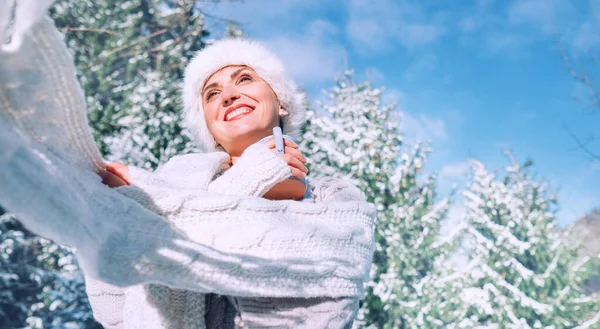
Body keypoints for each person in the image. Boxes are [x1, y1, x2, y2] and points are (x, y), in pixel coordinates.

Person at [87, 39, 372, 329]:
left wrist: (154, 210)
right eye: (212, 94)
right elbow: (112, 310)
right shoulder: (168, 183)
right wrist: (247, 182)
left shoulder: (333, 196)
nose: (228, 96)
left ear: (281, 103)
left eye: (244, 79)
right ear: (210, 129)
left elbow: (321, 315)